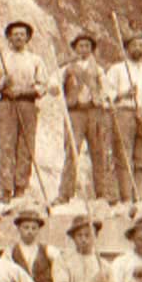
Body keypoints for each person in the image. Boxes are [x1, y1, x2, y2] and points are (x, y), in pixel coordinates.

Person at [0, 21, 48, 202]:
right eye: (15, 34)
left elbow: (43, 86)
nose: (19, 37)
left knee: (26, 147)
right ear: (9, 37)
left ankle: (20, 187)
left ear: (27, 37)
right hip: (7, 105)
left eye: (22, 34)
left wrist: (24, 91)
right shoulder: (0, 59)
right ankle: (5, 189)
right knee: (6, 146)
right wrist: (0, 85)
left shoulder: (35, 60)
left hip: (27, 104)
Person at [106, 28, 142, 202]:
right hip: (124, 113)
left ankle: (141, 198)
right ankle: (125, 198)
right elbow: (106, 95)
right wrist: (124, 94)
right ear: (127, 48)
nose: (139, 48)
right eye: (135, 45)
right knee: (123, 156)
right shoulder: (117, 69)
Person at [49, 33, 109, 204]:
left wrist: (103, 98)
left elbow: (107, 88)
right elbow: (53, 83)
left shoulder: (98, 69)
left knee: (98, 152)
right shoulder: (67, 69)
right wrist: (54, 87)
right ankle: (64, 194)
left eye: (87, 46)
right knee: (72, 151)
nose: (84, 49)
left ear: (91, 49)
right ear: (75, 48)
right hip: (75, 114)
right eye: (80, 46)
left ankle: (101, 194)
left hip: (94, 113)